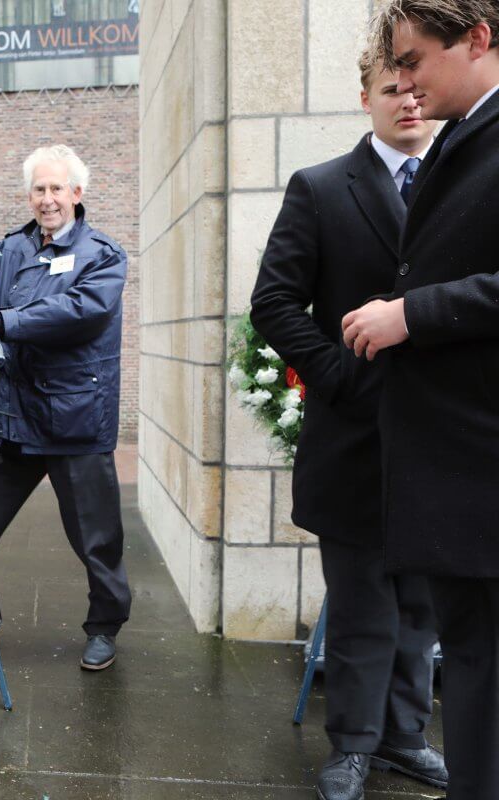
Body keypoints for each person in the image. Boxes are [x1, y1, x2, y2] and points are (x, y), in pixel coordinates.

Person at [251, 52, 445, 800]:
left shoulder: (462, 180)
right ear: (365, 97)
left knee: (422, 605)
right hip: (354, 437)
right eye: (391, 90)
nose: (407, 103)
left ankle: (403, 736)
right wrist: (336, 375)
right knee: (363, 602)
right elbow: (274, 302)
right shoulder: (323, 188)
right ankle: (353, 746)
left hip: (441, 438)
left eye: (416, 89)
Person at [344, 2, 499, 796]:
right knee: (471, 666)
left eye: (411, 60)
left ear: (477, 38)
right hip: (452, 469)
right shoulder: (463, 135)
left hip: (478, 466)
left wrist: (412, 314)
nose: (402, 82)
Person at [0, 144, 130, 670]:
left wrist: (1, 319)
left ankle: (104, 626)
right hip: (18, 418)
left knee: (95, 538)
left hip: (76, 420)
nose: (48, 199)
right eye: (39, 188)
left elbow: (79, 310)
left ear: (77, 194)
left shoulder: (103, 254)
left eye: (57, 188)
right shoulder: (9, 249)